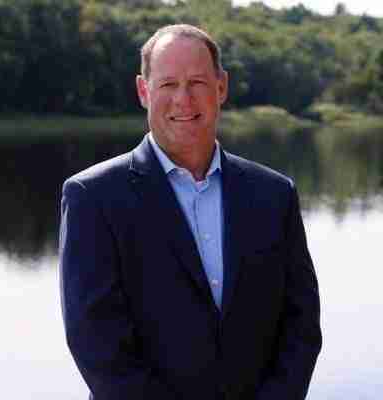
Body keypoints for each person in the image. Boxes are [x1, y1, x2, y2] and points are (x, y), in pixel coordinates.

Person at [59, 24, 322, 400]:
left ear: (221, 87)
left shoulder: (275, 194)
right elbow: (97, 344)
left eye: (197, 82)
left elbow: (301, 325)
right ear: (144, 91)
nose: (183, 99)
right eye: (168, 84)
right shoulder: (93, 197)